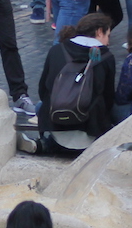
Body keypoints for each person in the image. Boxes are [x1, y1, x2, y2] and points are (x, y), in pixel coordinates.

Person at [36, 13, 117, 151]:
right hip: (90, 128)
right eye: (107, 35)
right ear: (99, 32)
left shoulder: (56, 50)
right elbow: (108, 97)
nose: (108, 42)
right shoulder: (106, 57)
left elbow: (43, 89)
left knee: (39, 105)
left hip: (55, 122)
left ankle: (46, 144)